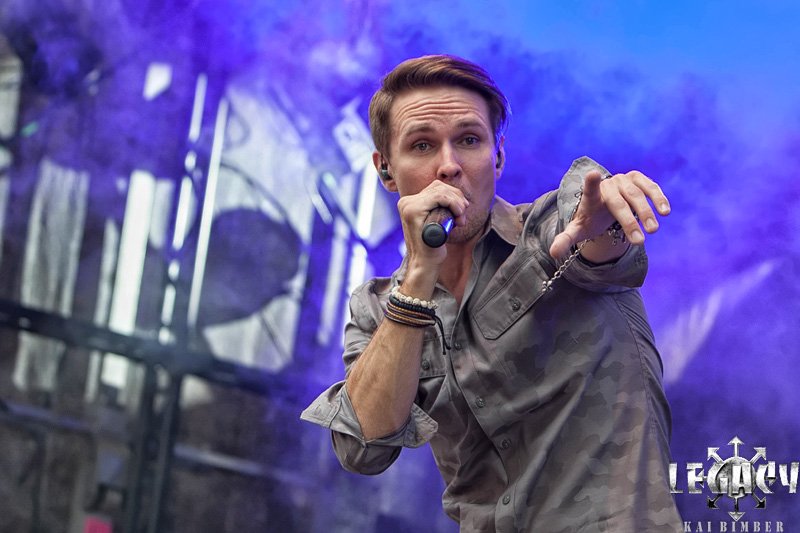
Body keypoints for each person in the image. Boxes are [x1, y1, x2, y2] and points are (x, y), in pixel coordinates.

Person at [301, 54, 683, 532]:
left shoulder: (546, 231)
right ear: (386, 171)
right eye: (422, 145)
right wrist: (419, 275)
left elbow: (593, 240)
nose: (448, 166)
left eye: (469, 140)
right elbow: (363, 448)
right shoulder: (376, 308)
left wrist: (606, 224)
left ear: (497, 156)